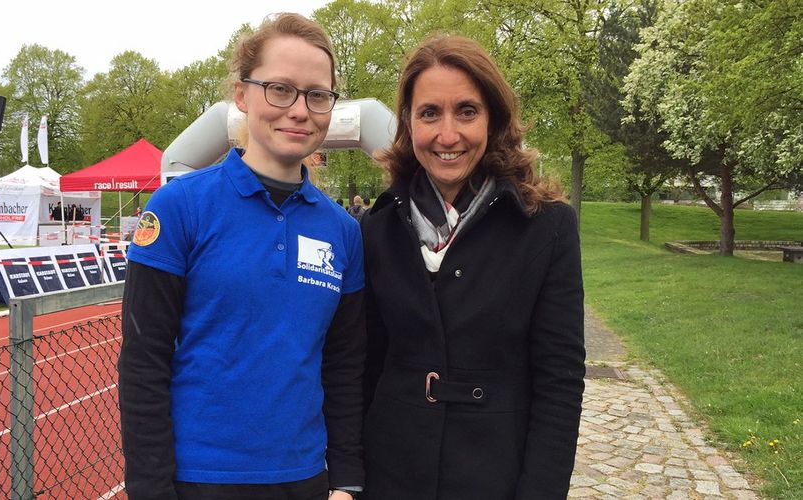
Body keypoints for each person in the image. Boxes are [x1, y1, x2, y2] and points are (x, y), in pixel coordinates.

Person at [118, 13, 365, 500]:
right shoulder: (178, 207)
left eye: (317, 94)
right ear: (241, 95)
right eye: (279, 89)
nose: (299, 110)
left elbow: (344, 368)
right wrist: (150, 489)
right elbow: (144, 362)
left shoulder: (343, 231)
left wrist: (348, 481)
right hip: (200, 480)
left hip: (307, 479)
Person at [361, 34, 585, 499]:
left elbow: (560, 381)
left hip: (495, 475)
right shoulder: (376, 228)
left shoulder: (547, 227)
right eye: (429, 113)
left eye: (466, 111)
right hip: (390, 474)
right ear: (408, 123)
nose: (448, 135)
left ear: (494, 119)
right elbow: (363, 367)